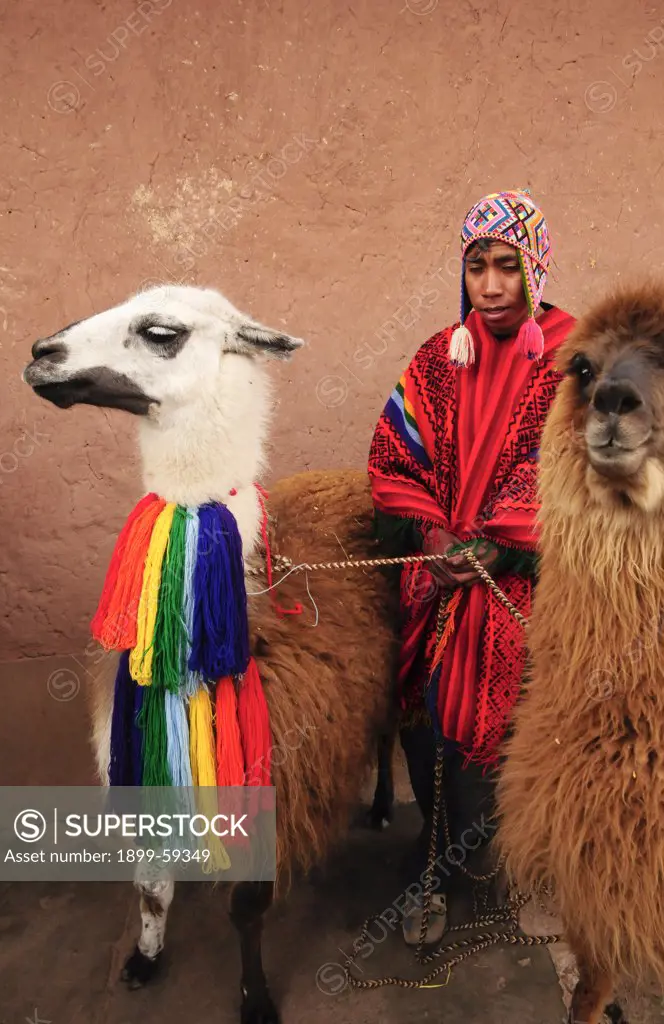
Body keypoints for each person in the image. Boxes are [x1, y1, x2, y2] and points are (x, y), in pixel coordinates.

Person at [367, 189, 576, 943]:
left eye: (508, 267)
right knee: (426, 716)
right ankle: (435, 861)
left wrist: (498, 541)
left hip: (534, 585)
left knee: (520, 727)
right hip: (439, 578)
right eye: (478, 266)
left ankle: (517, 855)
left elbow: (568, 467)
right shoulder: (436, 356)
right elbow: (396, 454)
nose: (490, 286)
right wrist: (430, 542)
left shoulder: (571, 362)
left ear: (536, 269)